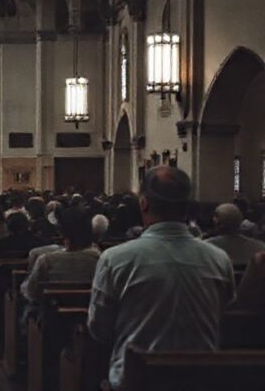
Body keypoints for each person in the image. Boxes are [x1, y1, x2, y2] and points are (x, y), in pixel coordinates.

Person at [87, 166, 236, 390]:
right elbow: (224, 315)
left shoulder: (115, 259)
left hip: (137, 381)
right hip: (202, 380)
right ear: (187, 206)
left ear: (144, 203)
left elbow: (99, 329)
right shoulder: (218, 259)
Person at [22, 206, 100, 302]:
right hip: (89, 314)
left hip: (53, 314)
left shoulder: (46, 261)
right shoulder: (100, 260)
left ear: (61, 231)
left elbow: (32, 293)